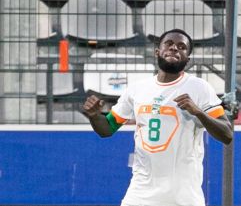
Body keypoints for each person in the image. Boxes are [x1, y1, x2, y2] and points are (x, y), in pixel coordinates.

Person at [82, 29, 233, 206]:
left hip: (183, 197)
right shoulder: (137, 89)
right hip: (140, 194)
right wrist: (94, 116)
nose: (175, 48)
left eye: (181, 47)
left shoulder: (199, 88)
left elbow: (227, 134)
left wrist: (198, 112)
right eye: (169, 44)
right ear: (157, 52)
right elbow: (107, 129)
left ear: (187, 59)